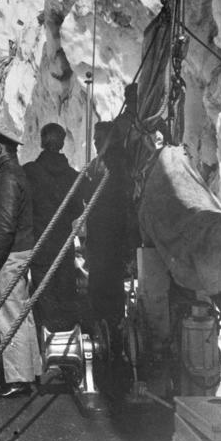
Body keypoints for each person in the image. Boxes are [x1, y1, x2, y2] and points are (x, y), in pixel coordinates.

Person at [0, 126, 42, 398]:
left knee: (10, 315)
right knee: (22, 313)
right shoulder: (18, 174)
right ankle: (31, 372)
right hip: (22, 251)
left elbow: (4, 227)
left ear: (1, 149)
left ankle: (17, 380)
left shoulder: (7, 179)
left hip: (11, 254)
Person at [23, 123, 84, 331]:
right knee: (65, 287)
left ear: (41, 141)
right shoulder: (72, 177)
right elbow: (77, 210)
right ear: (62, 143)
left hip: (39, 243)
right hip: (63, 243)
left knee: (43, 291)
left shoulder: (30, 172)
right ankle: (67, 336)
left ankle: (46, 340)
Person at [83, 121, 136, 344]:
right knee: (104, 285)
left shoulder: (115, 164)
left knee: (106, 287)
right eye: (94, 138)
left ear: (110, 139)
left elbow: (117, 200)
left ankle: (110, 335)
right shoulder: (101, 164)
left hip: (111, 238)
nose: (95, 142)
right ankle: (108, 332)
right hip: (103, 238)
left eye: (98, 138)